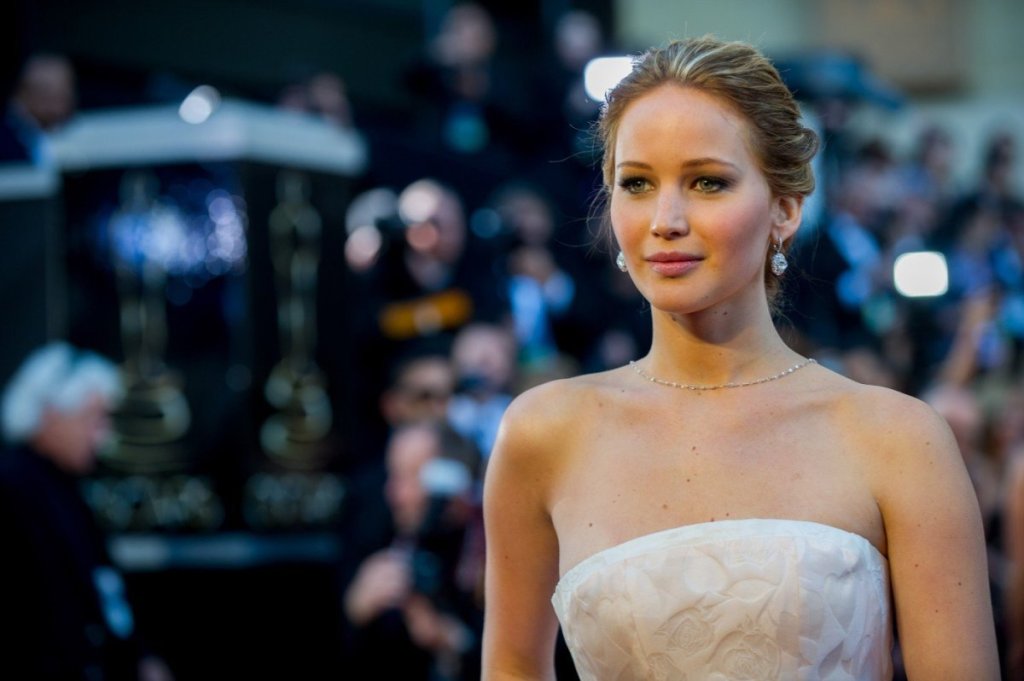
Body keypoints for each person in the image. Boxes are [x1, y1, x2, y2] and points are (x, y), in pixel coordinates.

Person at [482, 36, 1000, 680]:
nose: (666, 219)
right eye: (636, 183)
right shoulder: (543, 435)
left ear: (786, 209)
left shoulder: (898, 439)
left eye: (708, 182)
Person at [0, 342, 174, 680]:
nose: (102, 437)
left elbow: (103, 588)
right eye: (93, 419)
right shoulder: (14, 490)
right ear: (51, 414)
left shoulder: (66, 489)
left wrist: (136, 653)